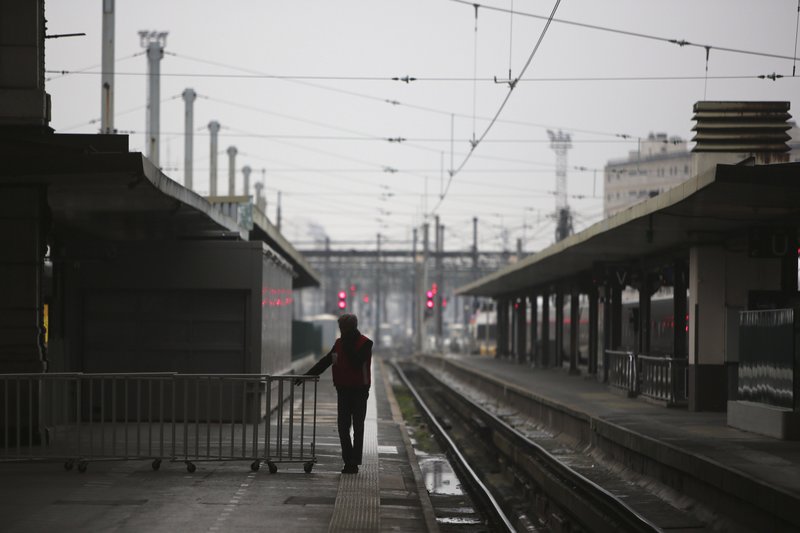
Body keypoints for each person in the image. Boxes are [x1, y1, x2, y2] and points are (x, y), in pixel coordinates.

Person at [300, 313, 373, 474]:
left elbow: (356, 362)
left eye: (342, 328)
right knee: (342, 427)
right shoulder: (339, 344)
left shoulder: (365, 343)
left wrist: (346, 345)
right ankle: (348, 460)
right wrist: (305, 376)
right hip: (343, 391)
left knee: (358, 427)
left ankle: (354, 462)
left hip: (360, 391)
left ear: (349, 328)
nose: (340, 331)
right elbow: (326, 362)